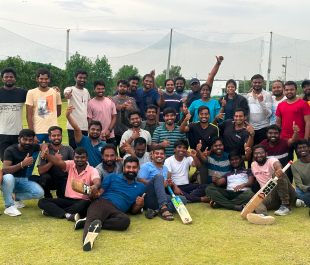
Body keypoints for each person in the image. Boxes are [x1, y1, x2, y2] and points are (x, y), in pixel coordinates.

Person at [79, 156, 145, 251]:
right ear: (123, 168)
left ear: (138, 168)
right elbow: (99, 194)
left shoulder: (140, 187)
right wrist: (93, 193)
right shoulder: (112, 177)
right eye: (128, 167)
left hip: (117, 211)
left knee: (125, 221)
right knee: (93, 218)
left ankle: (87, 221)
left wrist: (140, 205)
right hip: (103, 202)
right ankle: (87, 241)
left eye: (134, 167)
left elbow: (133, 211)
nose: (131, 170)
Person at [38, 147, 101, 223]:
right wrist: (47, 156)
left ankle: (54, 211)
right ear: (73, 157)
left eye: (83, 157)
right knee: (42, 201)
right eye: (77, 157)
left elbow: (97, 181)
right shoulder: (70, 164)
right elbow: (58, 162)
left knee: (85, 205)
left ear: (87, 158)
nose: (80, 160)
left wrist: (95, 186)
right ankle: (67, 215)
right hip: (67, 200)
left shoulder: (92, 170)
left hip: (81, 202)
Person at [25, 68, 62, 177]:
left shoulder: (55, 93)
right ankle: (24, 182)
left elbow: (58, 112)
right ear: (37, 79)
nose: (44, 81)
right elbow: (28, 115)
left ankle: (51, 182)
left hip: (53, 132)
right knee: (32, 158)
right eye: (41, 78)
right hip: (38, 132)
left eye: (46, 79)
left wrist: (50, 117)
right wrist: (33, 134)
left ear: (49, 79)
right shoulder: (31, 93)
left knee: (54, 158)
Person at [247, 145, 296, 225]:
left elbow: (277, 164)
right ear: (253, 155)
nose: (259, 155)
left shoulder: (271, 160)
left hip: (286, 192)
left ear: (266, 153)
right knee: (257, 201)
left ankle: (286, 205)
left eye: (261, 152)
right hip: (271, 195)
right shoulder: (253, 165)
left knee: (277, 173)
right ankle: (263, 216)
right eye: (256, 153)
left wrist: (279, 169)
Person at [1, 129, 46, 216]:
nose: (27, 142)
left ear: (33, 140)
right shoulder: (10, 150)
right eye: (24, 139)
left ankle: (15, 197)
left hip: (22, 180)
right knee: (9, 177)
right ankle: (9, 206)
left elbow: (44, 144)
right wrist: (22, 164)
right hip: (8, 181)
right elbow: (5, 169)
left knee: (39, 193)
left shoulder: (32, 147)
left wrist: (44, 150)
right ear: (19, 139)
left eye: (30, 140)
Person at [137, 145, 187, 221]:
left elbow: (163, 184)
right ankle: (164, 209)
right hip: (148, 197)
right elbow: (139, 180)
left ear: (164, 156)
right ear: (152, 155)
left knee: (182, 199)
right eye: (157, 153)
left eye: (161, 154)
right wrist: (159, 181)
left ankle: (156, 211)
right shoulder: (146, 166)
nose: (159, 155)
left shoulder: (165, 169)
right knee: (159, 177)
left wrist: (168, 183)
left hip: (159, 198)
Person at [37, 126, 74, 198]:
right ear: (49, 137)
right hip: (50, 179)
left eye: (58, 135)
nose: (56, 137)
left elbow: (74, 166)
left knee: (64, 198)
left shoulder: (68, 149)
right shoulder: (45, 151)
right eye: (53, 135)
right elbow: (40, 171)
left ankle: (61, 194)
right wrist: (54, 160)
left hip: (64, 179)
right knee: (44, 178)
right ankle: (47, 196)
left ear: (61, 136)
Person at [0, 67, 27, 161]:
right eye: (6, 77)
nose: (8, 78)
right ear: (2, 79)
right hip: (3, 133)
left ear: (14, 78)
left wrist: (51, 90)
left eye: (11, 77)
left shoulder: (22, 93)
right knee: (5, 160)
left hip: (18, 133)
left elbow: (38, 95)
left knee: (19, 160)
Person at [64, 69, 90, 149]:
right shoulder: (70, 89)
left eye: (84, 78)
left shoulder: (86, 91)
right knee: (74, 151)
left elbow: (89, 104)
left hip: (84, 127)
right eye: (80, 77)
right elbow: (66, 93)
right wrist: (67, 95)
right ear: (75, 78)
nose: (82, 80)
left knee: (83, 151)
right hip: (73, 127)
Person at [87, 79, 117, 145]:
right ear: (94, 89)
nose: (101, 91)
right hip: (96, 136)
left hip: (110, 135)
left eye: (102, 89)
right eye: (98, 89)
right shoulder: (90, 103)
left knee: (112, 154)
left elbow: (114, 117)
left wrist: (109, 130)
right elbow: (90, 121)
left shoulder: (110, 102)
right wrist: (98, 135)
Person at [246, 74, 273, 145]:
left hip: (263, 128)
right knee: (252, 151)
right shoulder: (248, 96)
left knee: (263, 151)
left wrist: (261, 102)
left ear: (263, 83)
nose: (257, 84)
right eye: (255, 82)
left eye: (259, 82)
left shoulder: (267, 95)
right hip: (251, 128)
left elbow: (268, 114)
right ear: (251, 83)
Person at [112, 79, 138, 151]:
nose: (122, 88)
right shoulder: (112, 100)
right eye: (121, 86)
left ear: (127, 88)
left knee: (124, 154)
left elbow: (137, 117)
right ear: (117, 87)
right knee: (112, 154)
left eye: (124, 86)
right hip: (114, 132)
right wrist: (114, 108)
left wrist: (132, 109)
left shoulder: (132, 102)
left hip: (126, 132)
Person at [291, 139, 310, 207]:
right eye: (299, 148)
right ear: (297, 151)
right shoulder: (294, 165)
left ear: (308, 148)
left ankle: (305, 202)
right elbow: (299, 184)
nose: (302, 149)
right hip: (306, 190)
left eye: (304, 147)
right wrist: (308, 188)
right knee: (295, 191)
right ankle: (306, 201)